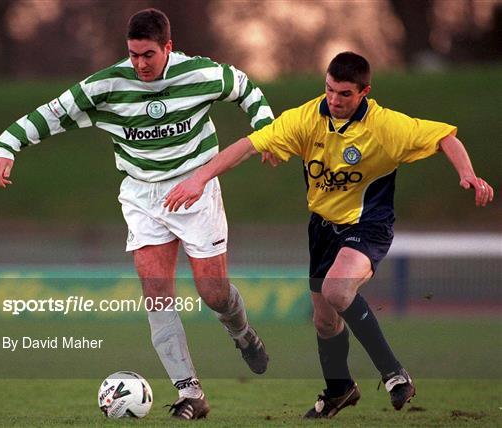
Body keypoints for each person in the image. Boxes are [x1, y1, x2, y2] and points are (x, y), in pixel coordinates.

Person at [164, 51, 495, 419]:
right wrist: (200, 178)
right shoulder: (306, 118)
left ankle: (393, 372)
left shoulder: (387, 127)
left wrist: (467, 173)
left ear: (365, 92)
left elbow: (445, 135)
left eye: (345, 94)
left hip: (368, 225)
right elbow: (248, 145)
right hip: (322, 228)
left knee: (338, 290)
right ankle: (339, 390)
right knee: (324, 320)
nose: (334, 100)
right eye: (330, 90)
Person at [0, 8, 274, 420]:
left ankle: (241, 332)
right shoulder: (106, 84)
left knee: (214, 294)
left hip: (195, 189)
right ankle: (190, 392)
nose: (139, 64)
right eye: (133, 55)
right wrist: (7, 145)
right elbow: (54, 112)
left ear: (168, 49)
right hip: (142, 196)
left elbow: (246, 89)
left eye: (148, 55)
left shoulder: (200, 74)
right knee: (157, 295)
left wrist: (265, 131)